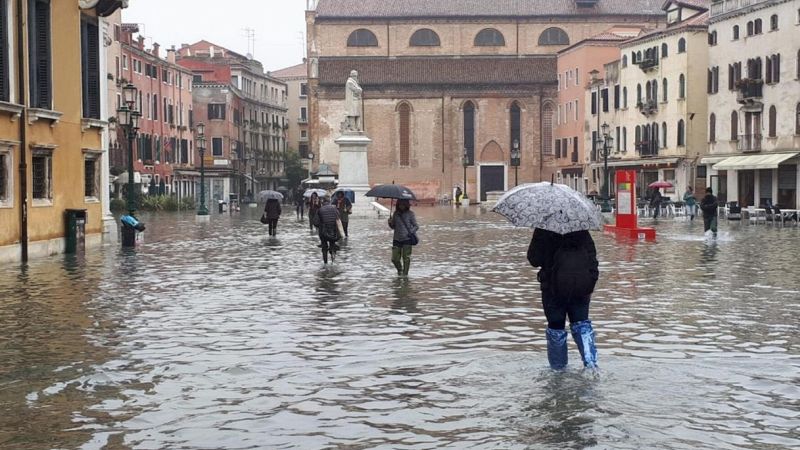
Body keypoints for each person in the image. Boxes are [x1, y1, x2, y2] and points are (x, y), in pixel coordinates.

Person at [527, 228, 599, 370]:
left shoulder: (543, 229)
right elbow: (592, 258)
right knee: (582, 325)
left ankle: (558, 370)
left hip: (552, 290)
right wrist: (590, 284)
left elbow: (534, 259)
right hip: (580, 288)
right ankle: (591, 365)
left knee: (556, 328)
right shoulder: (581, 229)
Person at [388, 199, 419, 276]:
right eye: (400, 204)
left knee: (406, 258)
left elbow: (416, 226)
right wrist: (390, 223)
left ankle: (405, 275)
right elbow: (393, 226)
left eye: (403, 204)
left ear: (406, 205)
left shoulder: (410, 214)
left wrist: (410, 233)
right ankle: (400, 270)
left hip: (407, 239)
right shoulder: (396, 214)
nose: (401, 206)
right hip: (397, 238)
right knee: (394, 259)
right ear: (398, 205)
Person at [315, 200, 341, 264]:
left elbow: (315, 222)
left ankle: (325, 263)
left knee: (324, 247)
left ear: (322, 204)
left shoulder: (320, 210)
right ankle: (333, 258)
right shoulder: (335, 209)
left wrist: (320, 225)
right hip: (333, 232)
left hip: (323, 232)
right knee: (332, 244)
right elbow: (338, 219)